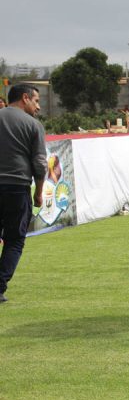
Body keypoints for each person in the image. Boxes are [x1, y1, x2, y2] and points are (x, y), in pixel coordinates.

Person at [0, 84, 46, 303]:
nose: (38, 107)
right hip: (17, 187)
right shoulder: (33, 125)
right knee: (14, 240)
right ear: (25, 98)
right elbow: (39, 163)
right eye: (36, 101)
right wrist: (38, 191)